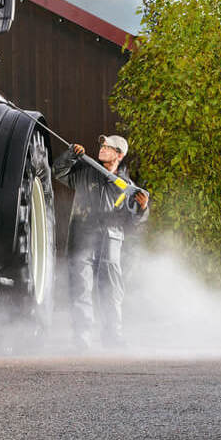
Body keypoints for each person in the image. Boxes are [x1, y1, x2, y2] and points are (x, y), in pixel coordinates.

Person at [53, 134, 149, 350]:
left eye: (109, 147)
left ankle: (113, 338)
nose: (103, 149)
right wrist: (70, 156)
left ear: (119, 155)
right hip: (82, 239)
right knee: (80, 290)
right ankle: (82, 340)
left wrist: (142, 210)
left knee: (112, 293)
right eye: (103, 146)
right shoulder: (85, 172)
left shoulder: (127, 188)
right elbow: (58, 172)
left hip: (111, 242)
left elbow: (131, 224)